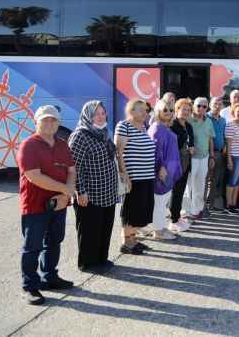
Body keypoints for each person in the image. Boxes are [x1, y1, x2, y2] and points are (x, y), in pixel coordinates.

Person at [18, 105, 75, 305]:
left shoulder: (62, 144)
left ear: (58, 123)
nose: (50, 123)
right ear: (36, 122)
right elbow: (34, 176)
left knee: (54, 241)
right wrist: (65, 190)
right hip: (35, 205)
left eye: (53, 120)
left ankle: (49, 277)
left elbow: (71, 170)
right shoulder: (28, 145)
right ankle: (30, 286)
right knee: (32, 246)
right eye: (45, 120)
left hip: (58, 203)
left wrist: (65, 194)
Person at [68, 100, 118, 274]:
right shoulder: (80, 135)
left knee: (105, 226)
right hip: (89, 194)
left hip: (107, 192)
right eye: (96, 114)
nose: (100, 116)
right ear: (87, 116)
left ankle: (101, 259)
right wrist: (80, 192)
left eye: (103, 113)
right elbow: (75, 167)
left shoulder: (102, 132)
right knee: (90, 229)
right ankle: (88, 263)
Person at [115, 99, 156, 255]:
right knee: (131, 209)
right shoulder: (124, 126)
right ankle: (126, 242)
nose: (145, 113)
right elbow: (119, 153)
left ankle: (133, 239)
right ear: (131, 111)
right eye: (141, 110)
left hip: (146, 176)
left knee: (140, 210)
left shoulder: (143, 127)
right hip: (133, 177)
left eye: (146, 110)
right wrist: (124, 174)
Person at [148, 100, 182, 240]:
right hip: (162, 172)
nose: (169, 112)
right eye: (165, 110)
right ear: (158, 111)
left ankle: (160, 227)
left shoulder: (164, 127)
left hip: (169, 170)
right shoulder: (157, 128)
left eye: (171, 110)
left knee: (162, 203)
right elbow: (155, 151)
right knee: (160, 203)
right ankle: (158, 232)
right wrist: (160, 168)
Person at [184, 97, 215, 219]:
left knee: (201, 184)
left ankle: (197, 210)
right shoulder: (188, 120)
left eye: (204, 106)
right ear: (193, 106)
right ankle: (186, 211)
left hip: (204, 157)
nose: (201, 108)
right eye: (198, 106)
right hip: (191, 158)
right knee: (189, 185)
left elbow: (210, 139)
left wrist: (212, 156)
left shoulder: (208, 121)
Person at [168, 98, 194, 233]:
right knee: (176, 191)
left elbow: (191, 141)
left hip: (186, 162)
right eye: (183, 109)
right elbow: (172, 145)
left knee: (180, 190)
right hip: (175, 162)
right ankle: (173, 220)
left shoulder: (188, 125)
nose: (186, 112)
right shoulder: (172, 125)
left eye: (188, 110)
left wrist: (192, 147)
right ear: (177, 110)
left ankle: (177, 216)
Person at [207, 96, 227, 211]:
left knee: (218, 178)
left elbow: (224, 135)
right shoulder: (207, 118)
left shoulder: (223, 119)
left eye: (220, 104)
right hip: (211, 153)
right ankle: (206, 204)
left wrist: (225, 146)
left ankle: (214, 203)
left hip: (221, 153)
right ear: (210, 105)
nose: (217, 106)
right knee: (210, 179)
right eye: (215, 103)